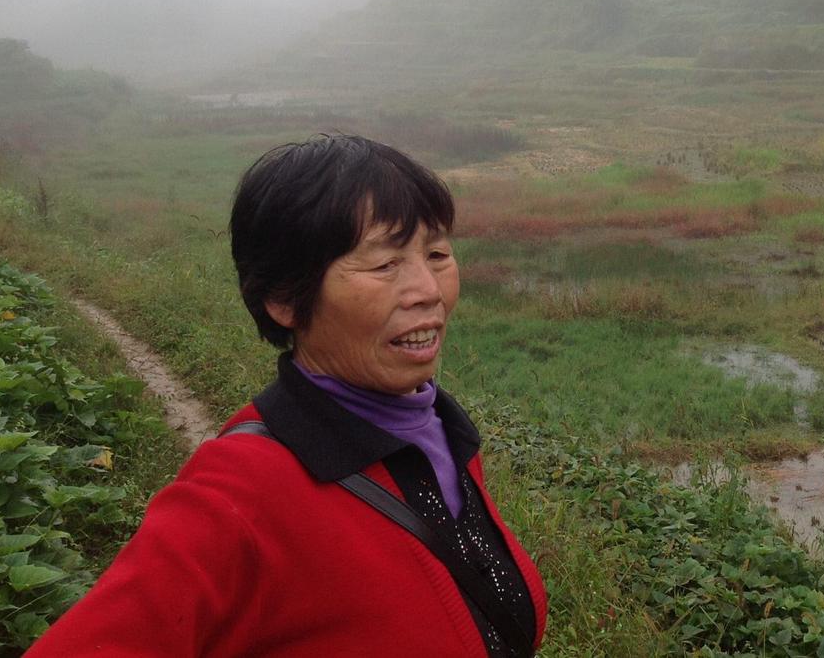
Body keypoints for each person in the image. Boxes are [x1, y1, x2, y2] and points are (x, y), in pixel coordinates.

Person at [28, 135, 547, 657]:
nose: (429, 290)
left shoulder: (442, 432)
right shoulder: (235, 495)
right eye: (384, 264)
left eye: (437, 254)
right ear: (284, 298)